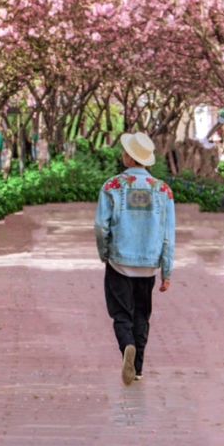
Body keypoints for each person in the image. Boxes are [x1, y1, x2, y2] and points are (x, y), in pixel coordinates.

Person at [94, 131, 176, 385]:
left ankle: (127, 345)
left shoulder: (112, 186)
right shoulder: (163, 191)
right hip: (149, 266)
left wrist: (104, 253)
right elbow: (168, 235)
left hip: (119, 262)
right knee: (142, 314)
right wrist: (167, 271)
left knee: (121, 314)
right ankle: (138, 367)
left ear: (130, 157)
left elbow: (101, 226)